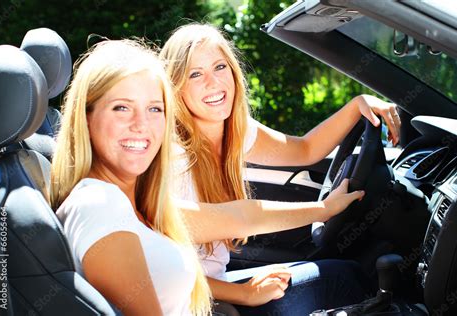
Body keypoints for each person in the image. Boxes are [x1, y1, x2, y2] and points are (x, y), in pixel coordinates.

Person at [51, 39, 366, 315]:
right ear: (85, 115)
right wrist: (324, 210)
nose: (141, 125)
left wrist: (355, 108)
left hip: (214, 298)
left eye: (154, 109)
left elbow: (241, 214)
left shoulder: (134, 198)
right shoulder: (101, 205)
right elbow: (240, 220)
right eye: (121, 108)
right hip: (213, 303)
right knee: (348, 279)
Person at [160, 23, 401, 315]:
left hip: (212, 286)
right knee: (344, 280)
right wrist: (245, 294)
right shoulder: (175, 158)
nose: (213, 83)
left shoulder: (234, 131)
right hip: (191, 303)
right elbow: (164, 272)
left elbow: (305, 150)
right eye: (195, 74)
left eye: (219, 67)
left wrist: (356, 106)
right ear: (176, 87)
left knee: (342, 273)